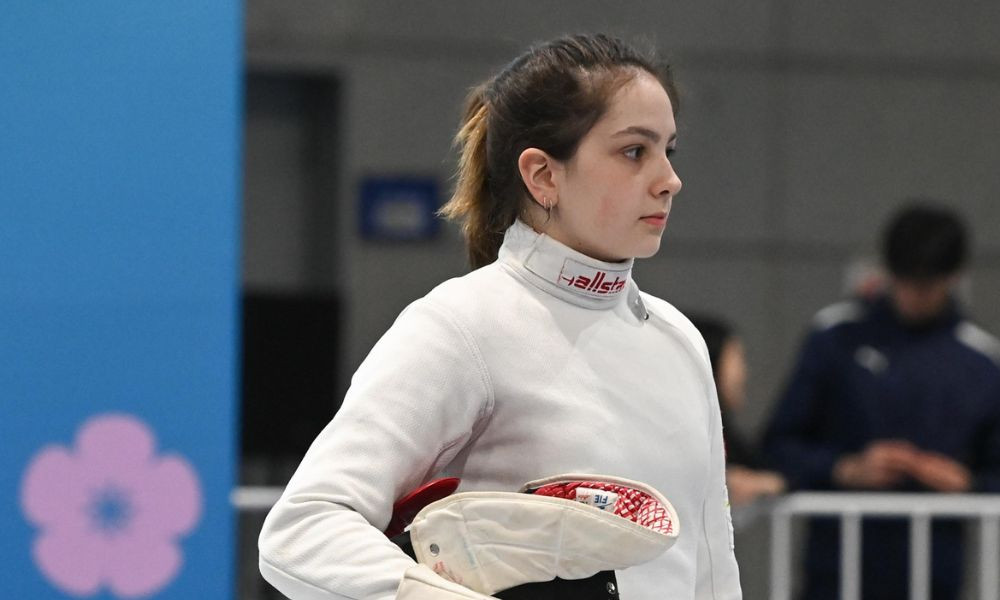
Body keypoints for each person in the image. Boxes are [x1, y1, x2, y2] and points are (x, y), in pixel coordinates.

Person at [258, 33, 742, 599]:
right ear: (543, 175)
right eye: (635, 151)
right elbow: (303, 529)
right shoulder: (461, 327)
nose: (669, 180)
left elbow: (712, 571)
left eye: (668, 151)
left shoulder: (678, 340)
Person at [763, 202, 1000, 600]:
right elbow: (777, 445)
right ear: (888, 272)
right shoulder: (835, 337)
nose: (913, 296)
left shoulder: (981, 360)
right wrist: (844, 469)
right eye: (904, 280)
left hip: (935, 576)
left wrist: (965, 482)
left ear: (954, 277)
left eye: (927, 285)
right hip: (834, 574)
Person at [689, 315, 785, 507]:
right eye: (737, 357)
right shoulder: (682, 433)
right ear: (710, 361)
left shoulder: (724, 433)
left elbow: (773, 471)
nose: (744, 372)